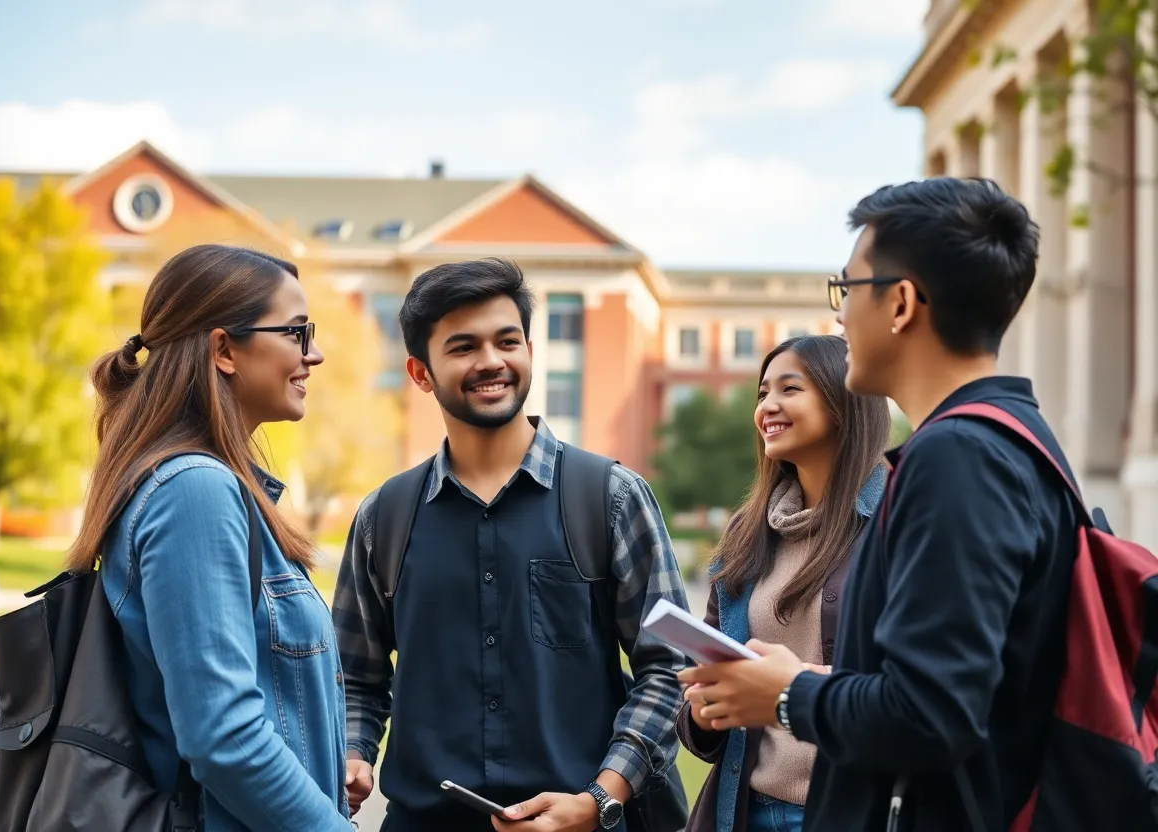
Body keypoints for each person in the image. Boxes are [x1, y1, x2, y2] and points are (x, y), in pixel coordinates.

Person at [679, 177, 1075, 831]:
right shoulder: (1010, 436)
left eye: (847, 289)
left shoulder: (957, 456)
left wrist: (786, 690)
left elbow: (931, 713)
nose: (839, 318)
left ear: (900, 304)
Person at [333, 258, 690, 832]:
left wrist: (601, 797)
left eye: (507, 340)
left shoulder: (611, 498)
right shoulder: (385, 517)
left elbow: (671, 665)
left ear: (529, 349)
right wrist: (352, 752)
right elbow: (355, 678)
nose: (491, 361)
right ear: (420, 373)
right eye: (464, 347)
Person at [63, 244, 352, 831]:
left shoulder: (199, 487)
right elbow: (224, 735)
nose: (314, 354)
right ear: (224, 349)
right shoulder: (194, 491)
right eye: (297, 332)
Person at [676, 335, 889, 832]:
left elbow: (913, 692)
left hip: (846, 813)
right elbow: (698, 724)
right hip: (745, 811)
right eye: (762, 393)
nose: (767, 406)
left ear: (843, 401)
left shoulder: (895, 522)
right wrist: (706, 708)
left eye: (789, 389)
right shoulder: (746, 533)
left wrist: (803, 684)